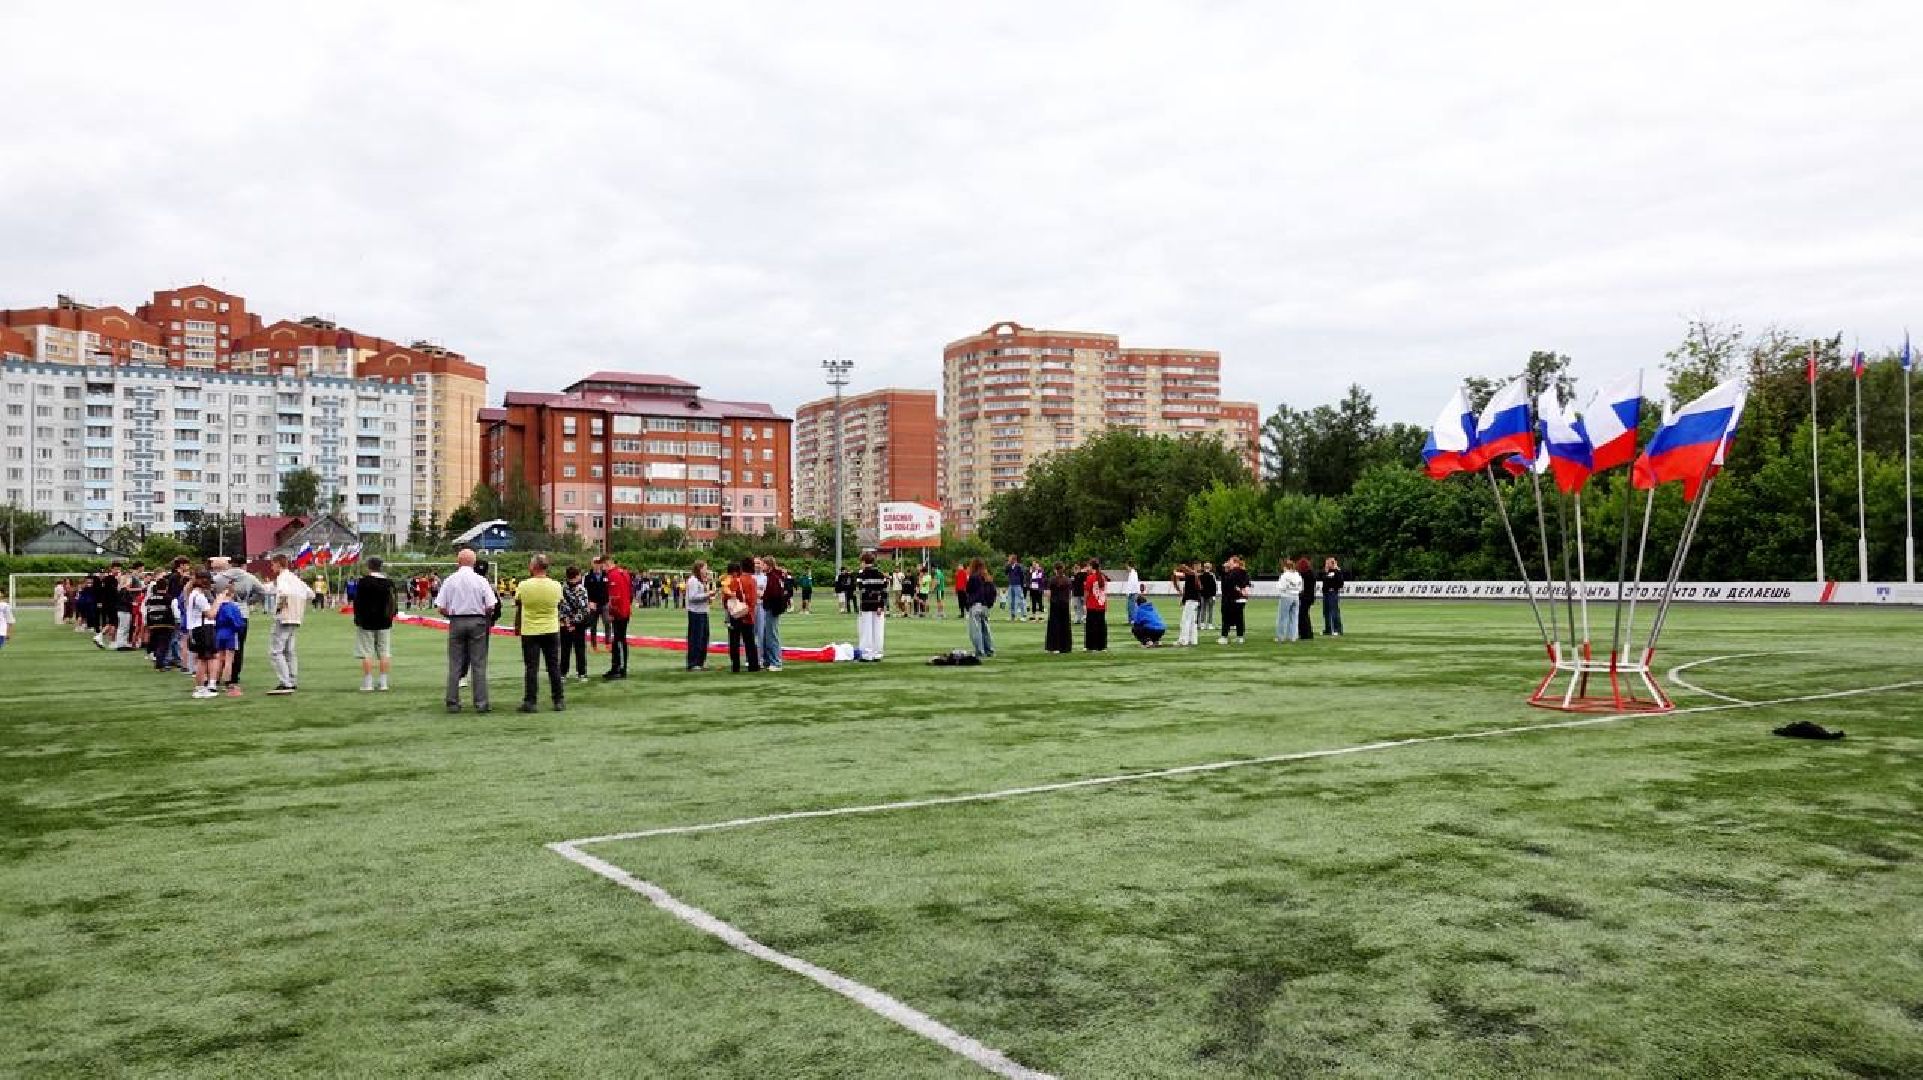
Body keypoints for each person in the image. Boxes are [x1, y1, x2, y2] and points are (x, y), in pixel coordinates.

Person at [436, 548, 498, 713]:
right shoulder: (481, 580)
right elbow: (491, 605)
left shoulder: (450, 580)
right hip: (477, 620)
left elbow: (441, 607)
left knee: (455, 664)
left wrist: (452, 615)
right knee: (478, 664)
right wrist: (482, 615)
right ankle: (481, 703)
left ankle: (452, 702)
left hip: (456, 621)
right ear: (474, 562)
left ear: (458, 562)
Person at [514, 554, 566, 713]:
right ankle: (558, 699)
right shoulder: (556, 585)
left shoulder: (524, 585)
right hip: (551, 629)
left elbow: (518, 603)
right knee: (553, 666)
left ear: (533, 567)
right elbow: (560, 604)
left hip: (530, 630)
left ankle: (530, 701)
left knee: (531, 667)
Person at [210, 556, 263, 691]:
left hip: (221, 612)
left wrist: (215, 601)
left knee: (219, 648)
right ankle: (233, 676)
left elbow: (209, 589)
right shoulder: (249, 577)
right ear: (243, 565)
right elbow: (262, 591)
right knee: (237, 647)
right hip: (241, 613)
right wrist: (249, 601)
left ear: (231, 564)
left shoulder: (219, 578)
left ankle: (217, 675)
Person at [267, 554, 315, 696]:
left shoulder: (282, 578)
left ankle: (285, 682)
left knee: (276, 651)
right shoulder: (295, 579)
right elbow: (310, 594)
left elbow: (283, 593)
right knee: (290, 650)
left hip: (284, 617)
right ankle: (292, 680)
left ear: (277, 564)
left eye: (272, 564)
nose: (271, 567)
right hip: (296, 617)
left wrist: (278, 610)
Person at [354, 556, 398, 692]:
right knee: (384, 653)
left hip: (366, 621)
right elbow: (393, 602)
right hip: (384, 621)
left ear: (369, 566)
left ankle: (368, 683)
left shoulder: (363, 582)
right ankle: (383, 683)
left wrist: (358, 618)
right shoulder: (388, 583)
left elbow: (358, 602)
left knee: (367, 653)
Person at [182, 573, 220, 699]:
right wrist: (219, 601)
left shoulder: (192, 594)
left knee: (202, 658)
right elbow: (210, 614)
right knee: (210, 657)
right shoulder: (199, 596)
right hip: (204, 628)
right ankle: (206, 686)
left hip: (196, 628)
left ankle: (201, 687)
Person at [723, 560, 760, 673]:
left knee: (734, 641)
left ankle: (735, 666)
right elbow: (754, 600)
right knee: (750, 641)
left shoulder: (735, 581)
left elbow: (726, 599)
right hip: (748, 614)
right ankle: (753, 665)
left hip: (736, 614)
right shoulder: (753, 581)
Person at [601, 556, 633, 680]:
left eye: (603, 565)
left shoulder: (613, 575)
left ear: (607, 563)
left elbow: (614, 597)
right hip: (625, 610)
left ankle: (618, 668)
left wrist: (611, 612)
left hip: (619, 612)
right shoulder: (623, 573)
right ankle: (620, 667)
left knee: (618, 640)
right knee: (620, 639)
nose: (602, 568)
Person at [559, 566, 591, 682]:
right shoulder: (581, 589)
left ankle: (563, 673)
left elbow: (561, 608)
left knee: (565, 649)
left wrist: (567, 621)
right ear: (577, 576)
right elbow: (584, 609)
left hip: (565, 623)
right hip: (579, 624)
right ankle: (581, 673)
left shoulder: (562, 588)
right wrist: (575, 622)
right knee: (580, 649)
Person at [213, 587, 247, 696]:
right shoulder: (233, 607)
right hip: (230, 634)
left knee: (219, 658)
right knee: (229, 659)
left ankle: (215, 679)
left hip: (219, 633)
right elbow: (237, 622)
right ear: (232, 595)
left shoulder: (218, 607)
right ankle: (227, 681)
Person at [855, 551, 887, 661]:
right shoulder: (880, 574)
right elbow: (883, 591)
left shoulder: (861, 574)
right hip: (878, 606)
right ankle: (877, 654)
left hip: (866, 605)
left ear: (864, 562)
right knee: (878, 630)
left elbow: (861, 589)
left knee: (866, 630)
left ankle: (866, 654)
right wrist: (880, 605)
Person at [759, 555, 789, 672]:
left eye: (763, 564)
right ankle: (769, 660)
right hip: (772, 608)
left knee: (772, 635)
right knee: (767, 635)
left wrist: (763, 595)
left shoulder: (774, 577)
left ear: (768, 565)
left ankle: (776, 662)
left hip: (773, 609)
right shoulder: (775, 576)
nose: (761, 566)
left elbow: (775, 594)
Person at [141, 577, 177, 670]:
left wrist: (147, 622)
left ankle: (157, 660)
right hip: (166, 624)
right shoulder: (170, 598)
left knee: (156, 643)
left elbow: (146, 611)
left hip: (153, 624)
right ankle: (160, 664)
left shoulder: (150, 599)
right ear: (167, 587)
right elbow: (175, 611)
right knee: (163, 644)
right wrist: (177, 621)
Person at [965, 557, 996, 658]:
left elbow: (969, 590)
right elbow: (993, 592)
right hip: (985, 606)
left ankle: (979, 650)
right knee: (985, 629)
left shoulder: (974, 577)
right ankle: (989, 649)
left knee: (976, 630)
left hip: (976, 605)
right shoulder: (987, 578)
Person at [684, 560, 712, 671]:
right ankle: (693, 662)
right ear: (699, 569)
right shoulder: (693, 581)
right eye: (705, 568)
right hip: (695, 612)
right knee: (695, 638)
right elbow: (693, 597)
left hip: (703, 611)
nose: (706, 571)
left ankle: (701, 661)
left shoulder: (701, 581)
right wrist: (707, 595)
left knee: (704, 637)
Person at [1219, 554, 1252, 645]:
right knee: (1239, 618)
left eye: (1230, 561)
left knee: (1226, 618)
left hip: (1231, 599)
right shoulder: (1244, 572)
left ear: (1234, 562)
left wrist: (1225, 572)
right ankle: (1240, 637)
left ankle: (1224, 636)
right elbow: (1247, 584)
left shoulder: (1233, 572)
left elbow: (1227, 585)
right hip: (1241, 599)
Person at [582, 556, 610, 654]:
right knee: (593, 625)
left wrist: (609, 601)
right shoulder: (587, 576)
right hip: (593, 604)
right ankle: (594, 646)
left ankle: (608, 644)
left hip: (605, 603)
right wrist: (589, 602)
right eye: (595, 562)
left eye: (599, 562)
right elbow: (584, 591)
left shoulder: (606, 575)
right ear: (592, 564)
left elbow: (609, 589)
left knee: (607, 623)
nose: (597, 565)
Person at [1044, 563, 1073, 653]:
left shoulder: (1052, 580)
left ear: (1055, 570)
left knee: (1054, 625)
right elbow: (1070, 594)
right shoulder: (1068, 580)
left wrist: (1049, 601)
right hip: (1065, 604)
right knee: (1065, 625)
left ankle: (1054, 646)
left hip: (1055, 604)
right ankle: (1065, 647)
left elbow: (1048, 593)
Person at [1083, 558, 1109, 652]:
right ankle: (1102, 646)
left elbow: (1086, 592)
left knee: (1091, 626)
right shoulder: (1103, 577)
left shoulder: (1090, 578)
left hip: (1092, 605)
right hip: (1101, 604)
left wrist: (1084, 604)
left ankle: (1091, 645)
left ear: (1091, 566)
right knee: (1101, 626)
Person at [1175, 561, 1202, 647]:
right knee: (1192, 621)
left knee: (1185, 621)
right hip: (1195, 601)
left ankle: (1184, 640)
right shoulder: (1197, 576)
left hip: (1190, 601)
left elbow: (1176, 574)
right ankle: (1193, 640)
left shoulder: (1191, 575)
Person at [1277, 558, 1303, 642]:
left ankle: (1281, 636)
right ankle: (1293, 636)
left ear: (1285, 566)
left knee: (1283, 617)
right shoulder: (1297, 575)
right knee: (1294, 617)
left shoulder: (1285, 575)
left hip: (1286, 595)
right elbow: (1301, 587)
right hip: (1296, 596)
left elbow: (1282, 586)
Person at [1322, 556, 1346, 637]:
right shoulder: (1327, 572)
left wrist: (1337, 570)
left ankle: (1338, 629)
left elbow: (1340, 583)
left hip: (1333, 593)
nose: (1326, 564)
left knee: (1334, 612)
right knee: (1326, 612)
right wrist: (1326, 572)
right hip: (1326, 593)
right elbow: (1324, 582)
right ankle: (1328, 629)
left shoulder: (1337, 571)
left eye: (1327, 563)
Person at [1297, 556, 1317, 641]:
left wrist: (1300, 595)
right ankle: (1308, 633)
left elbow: (1302, 588)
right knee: (1305, 615)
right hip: (1310, 597)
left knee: (1302, 615)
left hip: (1305, 597)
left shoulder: (1304, 575)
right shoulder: (1311, 574)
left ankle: (1305, 633)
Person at [1004, 554, 1025, 621]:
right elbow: (1005, 573)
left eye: (1010, 559)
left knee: (1020, 600)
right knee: (1011, 601)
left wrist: (1021, 585)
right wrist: (1007, 565)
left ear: (1014, 560)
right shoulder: (1009, 566)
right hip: (1011, 585)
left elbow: (1022, 576)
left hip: (1018, 585)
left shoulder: (1019, 566)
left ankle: (1023, 615)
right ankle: (1013, 616)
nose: (1009, 560)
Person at [1198, 562, 1218, 631]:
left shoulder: (1201, 575)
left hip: (1203, 595)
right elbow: (1215, 586)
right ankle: (1209, 624)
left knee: (1203, 610)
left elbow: (1199, 586)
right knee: (1210, 610)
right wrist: (1214, 596)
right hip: (1209, 595)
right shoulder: (1212, 575)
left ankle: (1203, 624)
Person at [1069, 559, 1086, 625]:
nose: (1075, 568)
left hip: (1082, 592)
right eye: (1074, 567)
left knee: (1083, 605)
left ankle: (1084, 617)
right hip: (1075, 593)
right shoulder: (1072, 575)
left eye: (1077, 567)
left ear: (1079, 567)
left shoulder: (1083, 574)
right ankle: (1077, 618)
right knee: (1076, 606)